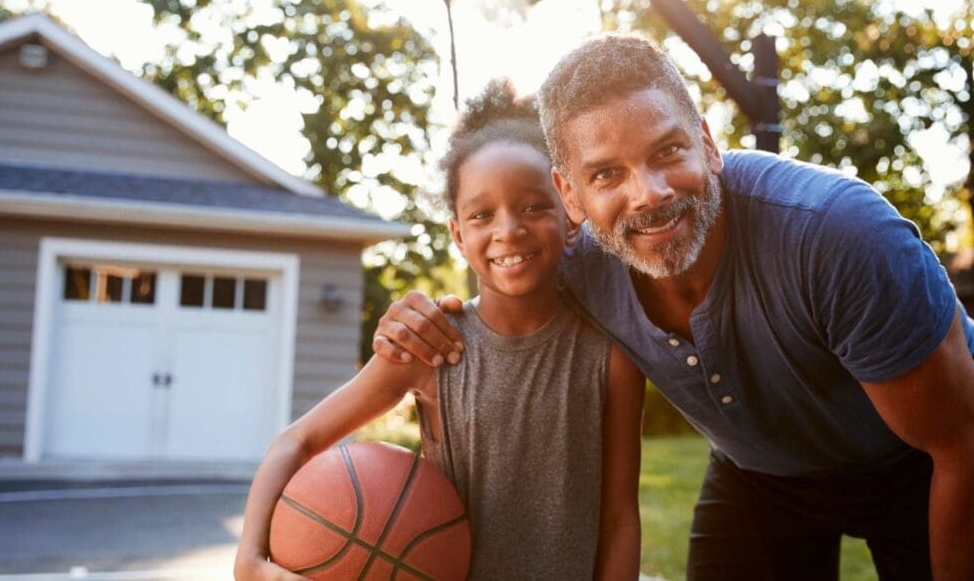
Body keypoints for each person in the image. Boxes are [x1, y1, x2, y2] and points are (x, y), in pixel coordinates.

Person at [372, 35, 974, 581]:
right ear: (569, 195)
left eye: (668, 152)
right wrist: (417, 320)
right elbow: (491, 304)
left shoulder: (837, 237)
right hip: (763, 473)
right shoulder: (571, 262)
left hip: (920, 463)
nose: (649, 194)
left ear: (708, 145)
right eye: (607, 174)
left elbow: (960, 444)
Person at [234, 79, 643, 581]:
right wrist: (249, 561)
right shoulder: (431, 345)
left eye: (534, 206)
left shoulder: (610, 358)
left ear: (570, 212)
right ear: (457, 234)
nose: (508, 229)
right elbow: (295, 443)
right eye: (481, 214)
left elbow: (620, 516)